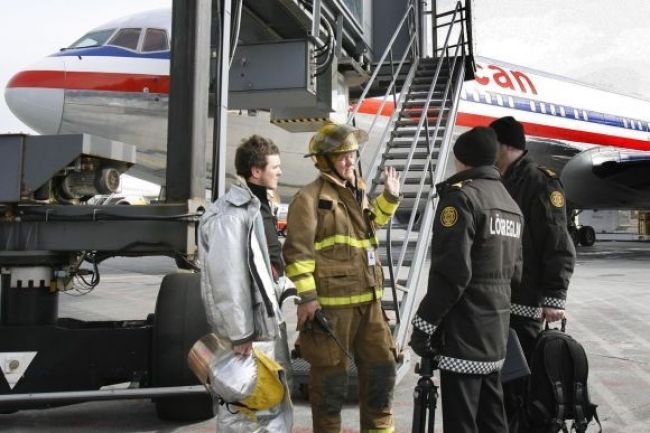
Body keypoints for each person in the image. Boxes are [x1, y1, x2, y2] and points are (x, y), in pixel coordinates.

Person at [283, 122, 401, 433]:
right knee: (330, 387)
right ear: (323, 160)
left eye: (352, 154)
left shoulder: (357, 191)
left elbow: (370, 227)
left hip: (371, 307)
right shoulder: (308, 199)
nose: (350, 161)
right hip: (331, 312)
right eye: (342, 156)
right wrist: (308, 299)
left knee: (381, 375)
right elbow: (297, 252)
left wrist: (388, 198)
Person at [409, 127, 524, 433]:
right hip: (495, 334)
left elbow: (452, 275)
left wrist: (423, 327)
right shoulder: (510, 205)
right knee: (492, 420)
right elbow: (516, 273)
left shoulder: (461, 199)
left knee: (462, 424)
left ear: (461, 160)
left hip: (464, 335)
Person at [198, 135, 294, 433]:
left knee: (267, 402)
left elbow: (264, 266)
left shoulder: (257, 206)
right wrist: (241, 334)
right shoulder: (231, 215)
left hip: (263, 325)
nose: (279, 172)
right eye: (274, 167)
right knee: (245, 407)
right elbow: (229, 279)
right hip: (248, 332)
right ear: (256, 171)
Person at [489, 116, 576, 432]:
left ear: (506, 145)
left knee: (524, 382)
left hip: (526, 304)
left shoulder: (541, 182)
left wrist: (555, 296)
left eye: (493, 143)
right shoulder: (503, 179)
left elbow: (558, 245)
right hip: (502, 301)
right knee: (505, 383)